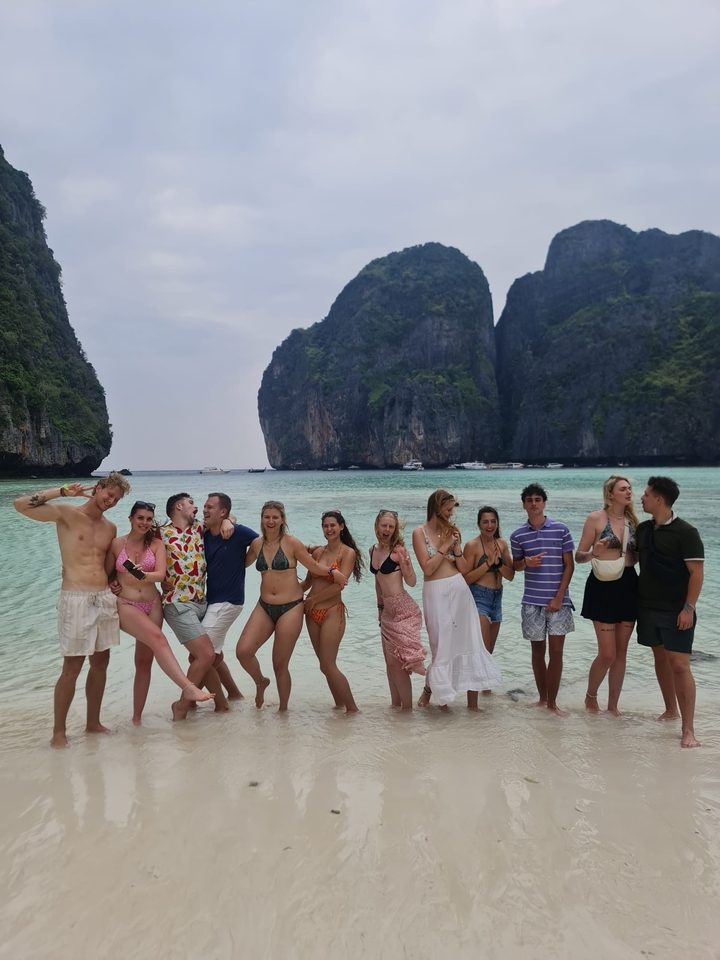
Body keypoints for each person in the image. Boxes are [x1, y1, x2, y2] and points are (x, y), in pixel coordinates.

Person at [13, 474, 131, 747]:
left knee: (101, 664)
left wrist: (113, 582)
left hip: (103, 598)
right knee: (72, 667)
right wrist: (62, 491)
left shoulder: (110, 528)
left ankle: (93, 723)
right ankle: (59, 732)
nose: (110, 501)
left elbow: (107, 565)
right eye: (108, 494)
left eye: (115, 499)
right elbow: (20, 504)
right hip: (75, 598)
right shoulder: (67, 513)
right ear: (97, 488)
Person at [106, 500, 215, 724]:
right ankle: (188, 687)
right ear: (130, 519)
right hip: (126, 603)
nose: (144, 523)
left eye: (148, 519)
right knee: (158, 638)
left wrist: (143, 575)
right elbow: (106, 572)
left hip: (153, 603)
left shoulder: (156, 544)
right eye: (140, 518)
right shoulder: (117, 544)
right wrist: (112, 584)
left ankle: (136, 719)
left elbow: (161, 574)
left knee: (144, 662)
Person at [236, 501, 348, 711]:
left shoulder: (291, 542)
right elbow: (238, 564)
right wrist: (228, 523)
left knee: (280, 664)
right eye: (266, 517)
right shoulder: (257, 544)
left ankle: (283, 712)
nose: (270, 521)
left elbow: (314, 566)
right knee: (243, 651)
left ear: (282, 520)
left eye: (275, 517)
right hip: (264, 606)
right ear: (261, 519)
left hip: (291, 606)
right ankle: (260, 682)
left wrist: (332, 572)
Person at [411, 490, 501, 710]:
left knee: (469, 641)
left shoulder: (453, 532)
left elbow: (462, 569)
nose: (451, 514)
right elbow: (428, 568)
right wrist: (444, 547)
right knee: (440, 646)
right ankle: (438, 698)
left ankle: (472, 705)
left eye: (452, 510)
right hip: (435, 592)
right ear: (437, 507)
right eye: (448, 509)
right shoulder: (418, 533)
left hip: (460, 592)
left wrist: (457, 549)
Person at [636, 476, 704, 748]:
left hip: (677, 609)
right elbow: (633, 560)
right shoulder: (642, 529)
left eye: (646, 494)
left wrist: (689, 608)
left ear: (659, 499)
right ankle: (670, 710)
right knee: (660, 656)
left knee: (680, 664)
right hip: (647, 606)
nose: (641, 498)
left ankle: (688, 730)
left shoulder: (686, 532)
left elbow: (696, 574)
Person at [158, 492, 232, 720]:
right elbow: (132, 550)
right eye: (192, 503)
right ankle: (182, 705)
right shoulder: (160, 533)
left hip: (203, 602)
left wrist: (229, 520)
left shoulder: (199, 528)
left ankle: (199, 704)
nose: (197, 507)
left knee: (205, 657)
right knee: (206, 654)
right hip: (177, 603)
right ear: (178, 506)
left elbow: (224, 518)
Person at [575, 475, 639, 715]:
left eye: (630, 488)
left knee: (622, 652)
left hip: (629, 584)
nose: (629, 492)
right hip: (602, 586)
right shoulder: (595, 518)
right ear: (610, 494)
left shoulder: (634, 521)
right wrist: (594, 552)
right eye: (623, 488)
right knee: (608, 653)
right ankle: (591, 697)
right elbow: (578, 556)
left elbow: (639, 557)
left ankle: (613, 706)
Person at [510, 484, 575, 716]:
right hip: (531, 601)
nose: (534, 503)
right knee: (537, 652)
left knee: (556, 651)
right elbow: (515, 566)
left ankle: (552, 704)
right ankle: (542, 698)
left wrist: (559, 597)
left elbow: (570, 565)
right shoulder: (518, 535)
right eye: (529, 500)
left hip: (559, 600)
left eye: (538, 499)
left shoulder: (561, 530)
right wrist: (527, 562)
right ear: (524, 505)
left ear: (544, 503)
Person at [301, 510, 364, 714]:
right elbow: (309, 581)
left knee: (329, 665)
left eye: (333, 525)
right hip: (311, 614)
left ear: (341, 527)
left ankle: (353, 710)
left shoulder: (347, 553)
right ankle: (339, 705)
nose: (329, 529)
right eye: (325, 526)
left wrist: (313, 600)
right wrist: (287, 594)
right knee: (323, 666)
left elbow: (339, 585)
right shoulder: (318, 552)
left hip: (332, 612)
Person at [202, 492, 259, 701]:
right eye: (204, 506)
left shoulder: (237, 533)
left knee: (201, 655)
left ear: (222, 511)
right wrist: (227, 519)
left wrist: (246, 561)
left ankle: (192, 701)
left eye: (209, 507)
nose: (204, 510)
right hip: (212, 601)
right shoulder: (205, 534)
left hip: (229, 602)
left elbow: (263, 541)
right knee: (213, 654)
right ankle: (235, 694)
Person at [370, 510, 427, 711]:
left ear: (395, 530)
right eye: (384, 525)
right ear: (377, 525)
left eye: (391, 527)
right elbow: (378, 583)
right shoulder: (373, 550)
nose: (387, 530)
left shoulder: (399, 551)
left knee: (398, 664)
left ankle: (407, 710)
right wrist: (379, 608)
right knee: (389, 664)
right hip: (387, 613)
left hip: (404, 610)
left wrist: (407, 566)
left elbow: (412, 582)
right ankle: (396, 707)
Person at [462, 507, 515, 672]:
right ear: (479, 524)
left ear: (497, 523)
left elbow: (511, 575)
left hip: (497, 598)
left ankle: (486, 692)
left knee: (489, 653)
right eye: (485, 522)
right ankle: (475, 692)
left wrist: (498, 563)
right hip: (479, 597)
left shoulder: (502, 544)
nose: (489, 525)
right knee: (482, 652)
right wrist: (488, 563)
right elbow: (465, 579)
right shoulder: (472, 546)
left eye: (493, 521)